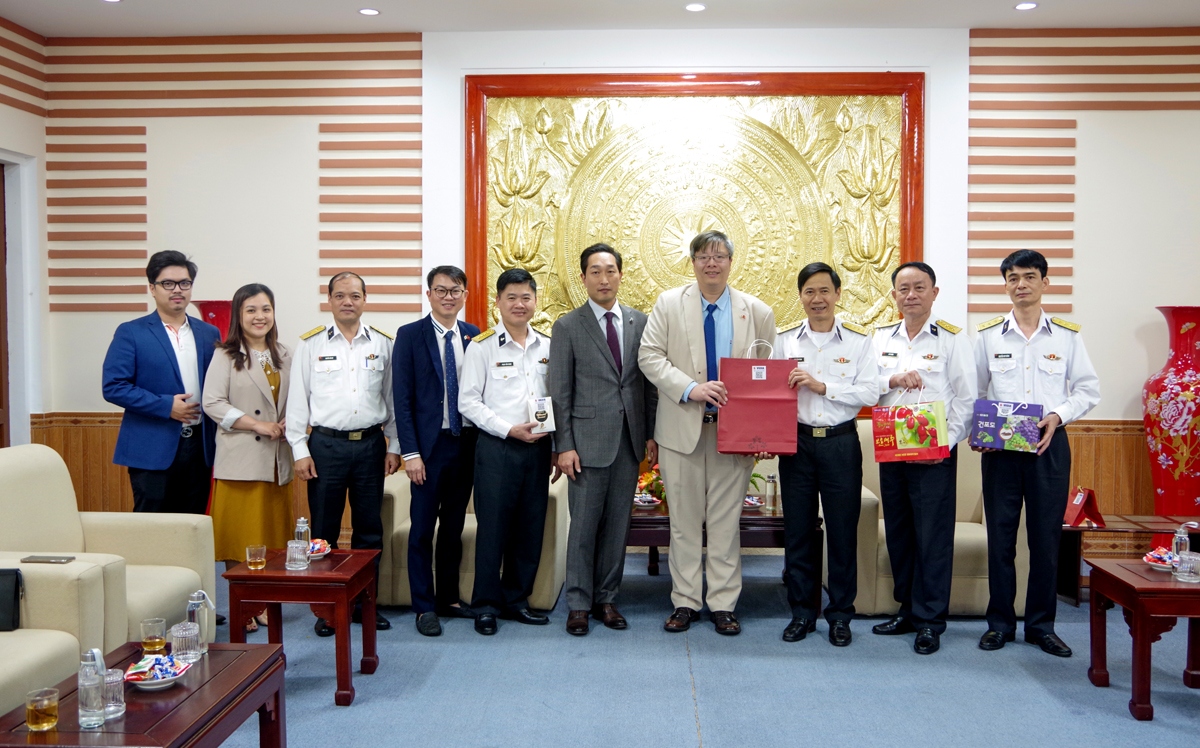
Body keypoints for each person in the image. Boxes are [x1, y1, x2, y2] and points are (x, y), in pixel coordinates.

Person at [637, 230, 776, 636]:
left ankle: (723, 604)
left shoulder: (757, 311)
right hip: (681, 430)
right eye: (703, 256)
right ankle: (684, 601)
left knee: (725, 523)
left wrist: (763, 432)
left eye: (719, 256)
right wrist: (690, 389)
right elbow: (649, 356)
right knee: (682, 523)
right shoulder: (668, 304)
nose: (711, 263)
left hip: (735, 435)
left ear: (731, 262)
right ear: (693, 262)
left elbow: (766, 376)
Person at [974, 249, 1099, 657]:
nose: (1020, 284)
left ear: (1046, 283)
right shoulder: (988, 335)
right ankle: (1000, 625)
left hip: (1049, 446)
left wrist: (1058, 416)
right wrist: (977, 430)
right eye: (1012, 278)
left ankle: (1041, 626)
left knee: (1046, 541)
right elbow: (973, 391)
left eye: (1029, 277)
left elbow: (1087, 389)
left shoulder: (1066, 336)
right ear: (1005, 285)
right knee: (1001, 541)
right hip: (1001, 451)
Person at [549, 243, 657, 636]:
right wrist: (563, 445)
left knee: (617, 528)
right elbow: (559, 391)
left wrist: (649, 435)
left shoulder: (639, 322)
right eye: (595, 271)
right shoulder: (568, 326)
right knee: (583, 528)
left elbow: (647, 386)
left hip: (629, 442)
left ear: (620, 275)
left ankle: (607, 598)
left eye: (610, 270)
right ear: (583, 278)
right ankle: (578, 603)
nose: (603, 278)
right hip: (585, 444)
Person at [286, 271, 402, 637]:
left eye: (354, 295)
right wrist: (299, 449)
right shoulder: (311, 344)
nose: (347, 301)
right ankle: (326, 609)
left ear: (365, 300)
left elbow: (393, 401)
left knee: (370, 530)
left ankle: (365, 604)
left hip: (370, 445)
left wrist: (394, 446)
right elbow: (297, 401)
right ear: (330, 301)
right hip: (325, 447)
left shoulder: (383, 344)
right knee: (324, 531)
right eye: (340, 296)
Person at [870, 262, 975, 655]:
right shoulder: (879, 338)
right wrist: (891, 380)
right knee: (899, 532)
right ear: (893, 295)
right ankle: (907, 611)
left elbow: (966, 399)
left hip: (934, 454)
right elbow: (866, 388)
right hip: (891, 449)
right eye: (903, 288)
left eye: (919, 287)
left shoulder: (951, 340)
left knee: (932, 536)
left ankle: (931, 620)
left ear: (934, 292)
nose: (910, 294)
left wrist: (946, 446)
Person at [773, 262, 878, 646]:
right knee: (798, 531)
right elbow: (767, 394)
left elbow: (869, 393)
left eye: (824, 291)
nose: (817, 299)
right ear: (800, 297)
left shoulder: (858, 342)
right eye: (809, 292)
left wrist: (823, 387)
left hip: (841, 444)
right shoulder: (784, 342)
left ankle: (840, 615)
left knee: (841, 531)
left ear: (837, 294)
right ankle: (802, 613)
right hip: (796, 444)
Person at [458, 268, 556, 636]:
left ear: (535, 300)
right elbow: (468, 401)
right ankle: (485, 604)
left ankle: (517, 600)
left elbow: (556, 399)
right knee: (493, 529)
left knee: (530, 529)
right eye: (511, 297)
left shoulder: (548, 346)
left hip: (538, 450)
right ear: (497, 302)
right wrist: (507, 429)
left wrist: (554, 446)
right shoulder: (481, 347)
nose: (519, 304)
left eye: (526, 297)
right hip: (497, 449)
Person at [392, 265, 480, 637]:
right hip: (427, 449)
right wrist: (410, 453)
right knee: (422, 530)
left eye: (455, 290)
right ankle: (423, 607)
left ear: (465, 296)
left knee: (454, 527)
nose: (448, 296)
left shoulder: (475, 335)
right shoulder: (410, 335)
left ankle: (448, 599)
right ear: (428, 294)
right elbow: (403, 397)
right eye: (441, 290)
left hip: (465, 444)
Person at [202, 283, 293, 634]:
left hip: (276, 460)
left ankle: (266, 602)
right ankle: (246, 606)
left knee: (271, 537)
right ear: (239, 316)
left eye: (266, 309)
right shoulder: (225, 355)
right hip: (241, 459)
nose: (260, 316)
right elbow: (212, 403)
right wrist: (258, 424)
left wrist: (292, 421)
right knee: (241, 539)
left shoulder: (285, 354)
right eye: (251, 310)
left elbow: (299, 398)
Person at [102, 250, 220, 515]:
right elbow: (113, 386)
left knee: (192, 525)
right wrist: (166, 406)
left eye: (184, 283)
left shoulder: (208, 333)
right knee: (152, 528)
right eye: (168, 283)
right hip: (151, 448)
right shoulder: (131, 332)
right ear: (152, 288)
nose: (177, 290)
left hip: (199, 448)